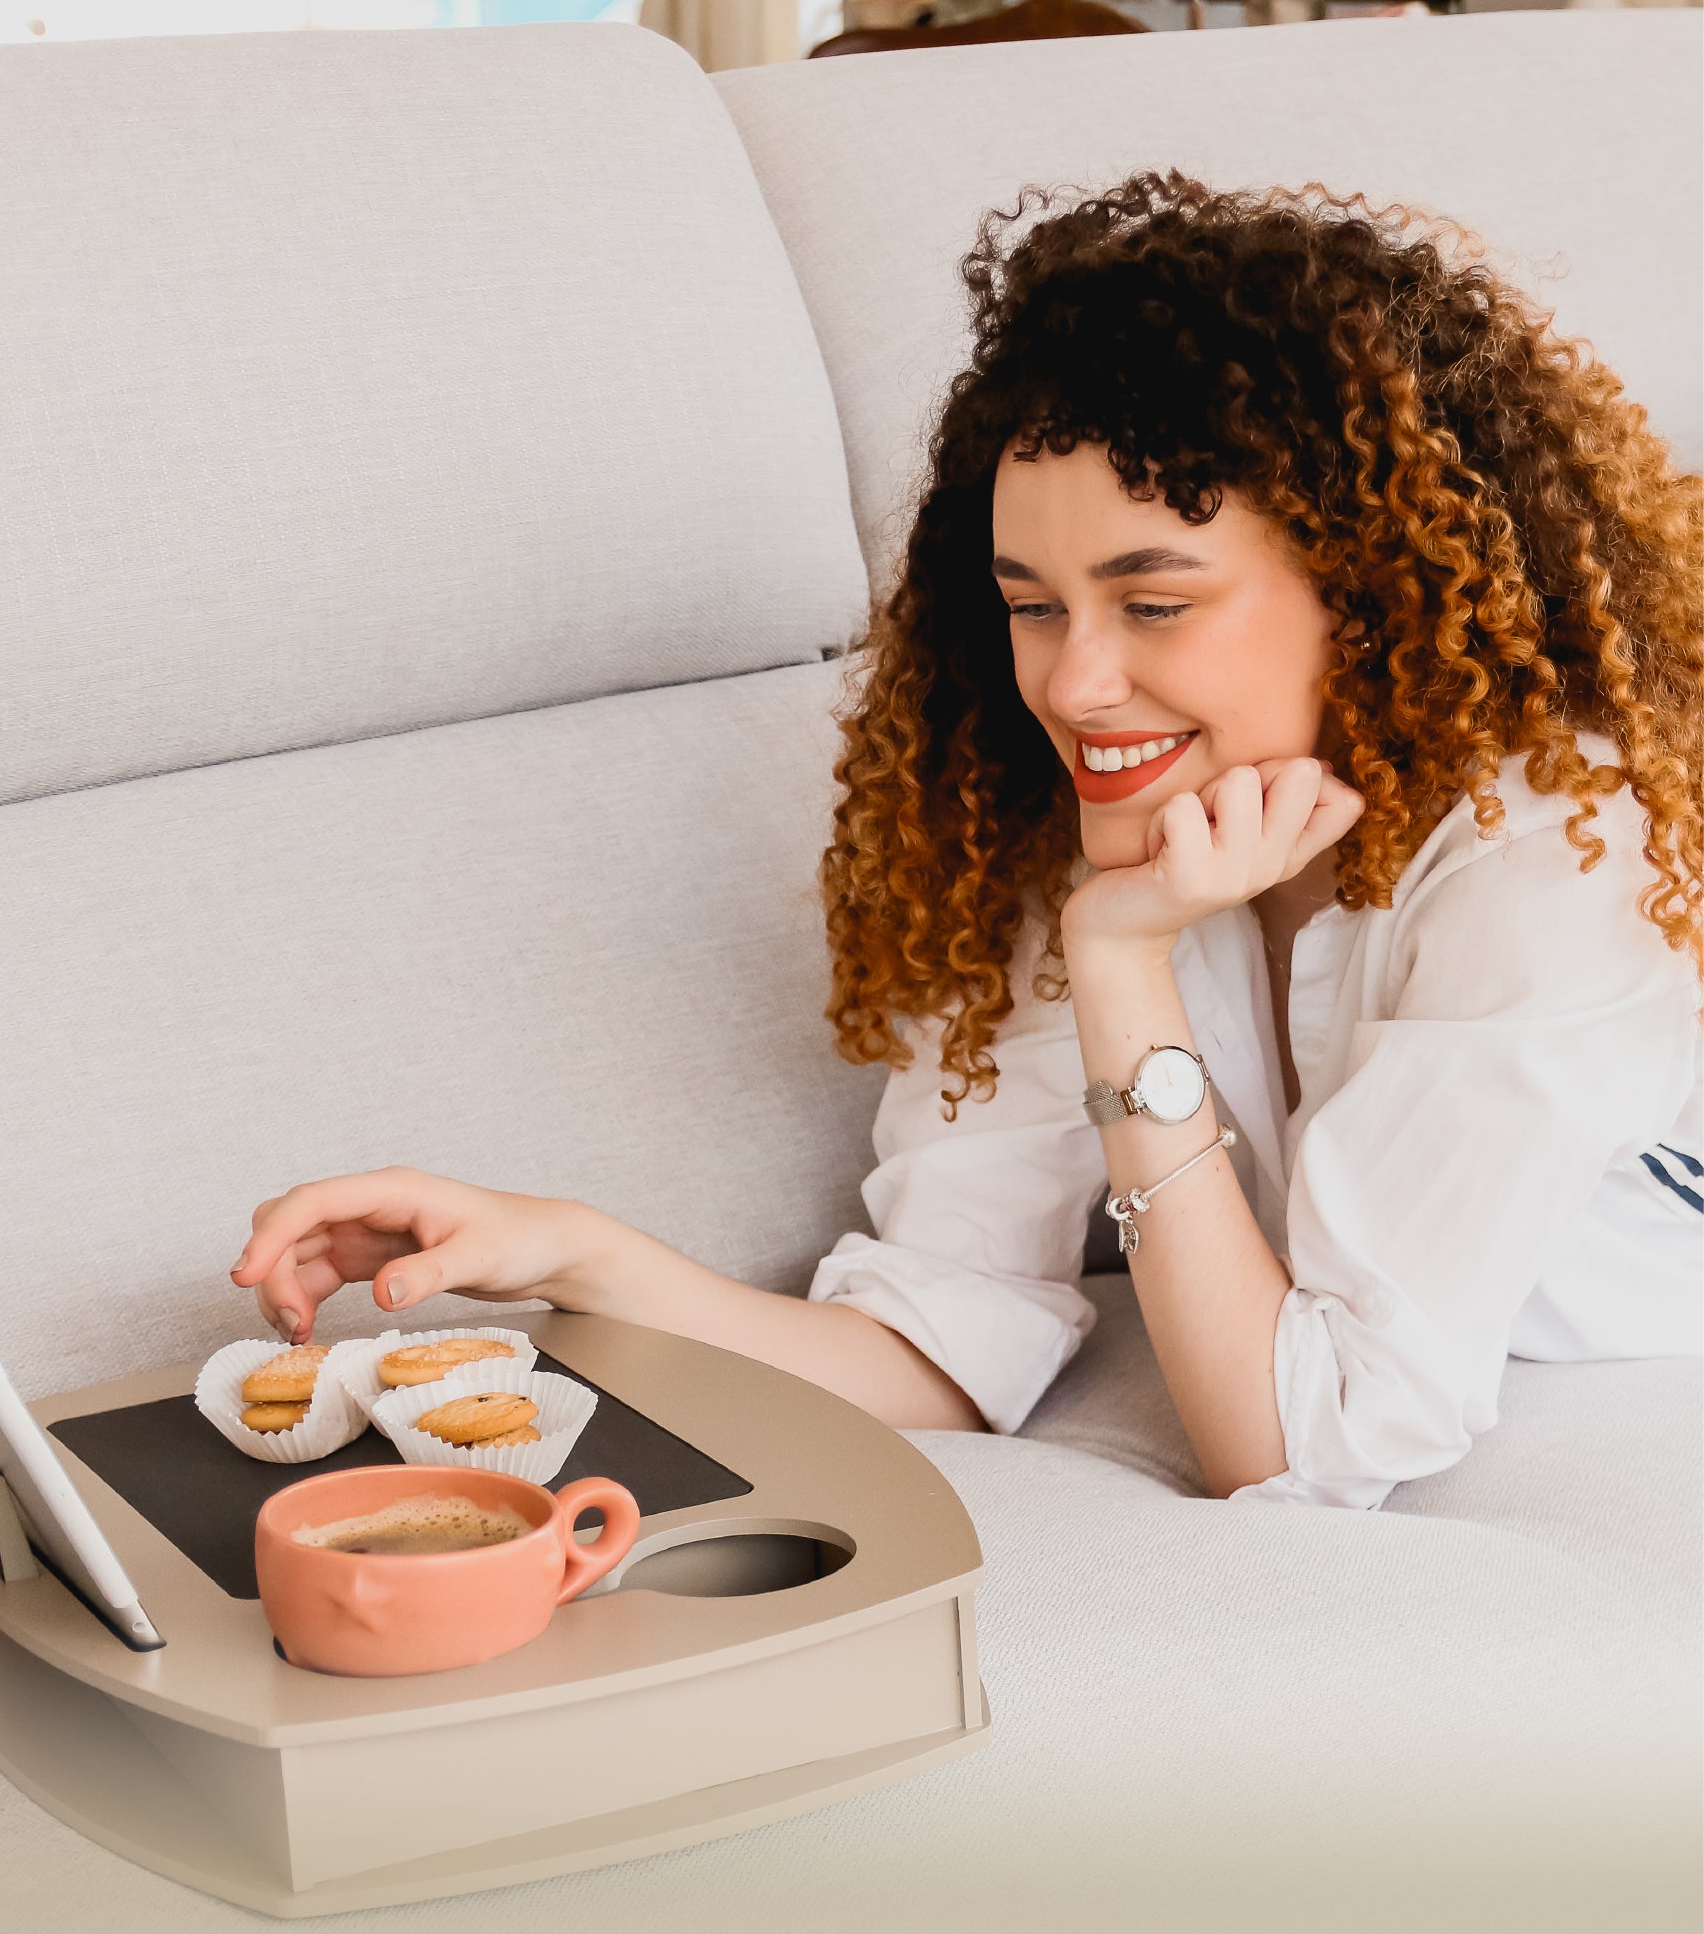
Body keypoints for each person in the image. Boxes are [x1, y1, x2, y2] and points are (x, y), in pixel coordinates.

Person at [230, 172, 1701, 1507]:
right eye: (1031, 603)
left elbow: (1299, 1448)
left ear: (1368, 592)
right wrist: (571, 1256)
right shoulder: (1086, 821)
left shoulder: (1554, 855)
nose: (1071, 686)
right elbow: (938, 1346)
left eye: (1155, 602)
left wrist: (1122, 965)